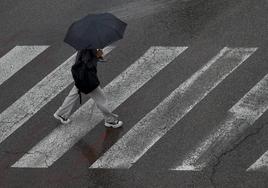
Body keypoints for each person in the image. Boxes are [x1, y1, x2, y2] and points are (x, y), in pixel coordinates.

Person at [53, 48, 123, 128]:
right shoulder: (90, 46)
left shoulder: (85, 44)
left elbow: (85, 59)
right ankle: (110, 120)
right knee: (101, 99)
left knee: (74, 94)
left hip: (80, 76)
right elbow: (87, 63)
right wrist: (97, 55)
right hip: (87, 78)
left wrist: (97, 56)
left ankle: (61, 113)